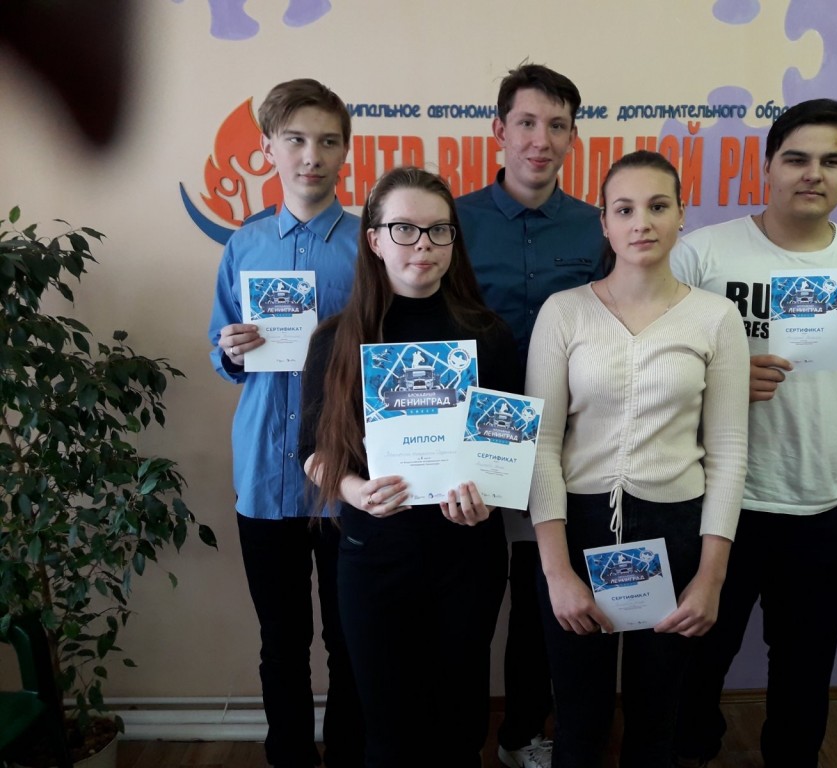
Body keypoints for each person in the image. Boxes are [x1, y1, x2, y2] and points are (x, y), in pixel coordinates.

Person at [669, 98, 837, 768]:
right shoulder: (700, 256)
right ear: (767, 166)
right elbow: (648, 372)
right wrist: (719, 378)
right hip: (717, 504)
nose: (814, 174)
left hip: (827, 510)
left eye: (832, 161)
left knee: (806, 671)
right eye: (797, 159)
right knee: (694, 663)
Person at [526, 150, 750, 767]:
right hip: (577, 529)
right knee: (580, 719)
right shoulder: (564, 311)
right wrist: (557, 572)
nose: (641, 223)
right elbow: (541, 445)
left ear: (681, 215)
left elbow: (729, 452)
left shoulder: (716, 318)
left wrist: (710, 578)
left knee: (658, 719)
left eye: (658, 206)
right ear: (603, 222)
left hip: (677, 531)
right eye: (624, 209)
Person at [299, 167, 522, 768]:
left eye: (438, 230)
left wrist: (490, 493)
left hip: (466, 556)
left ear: (453, 240)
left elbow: (508, 448)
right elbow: (312, 453)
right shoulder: (335, 339)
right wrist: (354, 490)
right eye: (404, 229)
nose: (422, 244)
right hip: (374, 555)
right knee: (388, 731)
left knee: (460, 726)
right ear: (374, 239)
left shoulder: (490, 337)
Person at [207, 78, 364, 768]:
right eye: (296, 140)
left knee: (350, 636)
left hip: (345, 474)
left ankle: (351, 753)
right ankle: (290, 757)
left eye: (328, 141)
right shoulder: (244, 246)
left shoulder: (369, 246)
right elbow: (221, 352)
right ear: (269, 148)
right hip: (265, 473)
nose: (312, 156)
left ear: (345, 152)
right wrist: (231, 348)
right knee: (282, 638)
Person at [455, 62, 605, 768]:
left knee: (541, 590)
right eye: (526, 123)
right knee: (466, 598)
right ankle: (455, 742)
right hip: (468, 439)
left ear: (573, 137)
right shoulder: (452, 220)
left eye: (556, 125)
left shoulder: (596, 227)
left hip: (563, 439)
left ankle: (521, 733)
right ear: (499, 130)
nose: (540, 140)